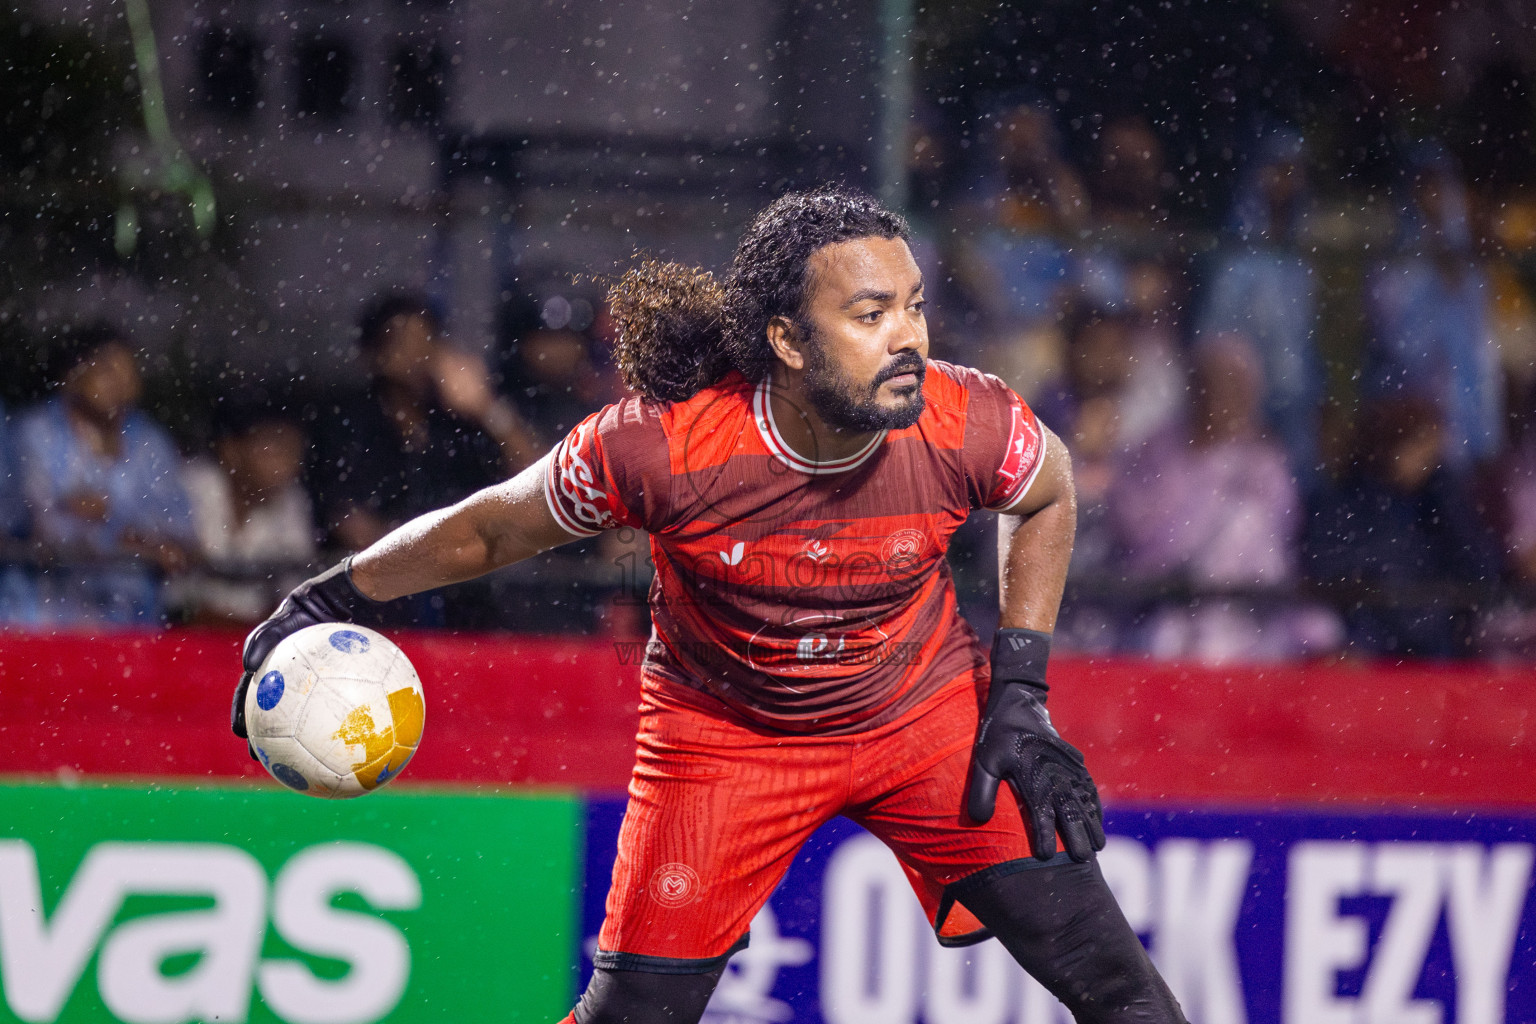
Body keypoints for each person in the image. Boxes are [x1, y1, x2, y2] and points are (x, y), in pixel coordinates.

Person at [233, 186, 1187, 1024]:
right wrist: (327, 594)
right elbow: (489, 531)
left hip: (925, 718)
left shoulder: (965, 417)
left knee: (1126, 996)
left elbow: (1048, 490)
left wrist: (1020, 691)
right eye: (869, 314)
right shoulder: (658, 446)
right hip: (723, 740)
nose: (910, 338)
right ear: (786, 341)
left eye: (914, 306)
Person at [309, 292, 539, 553]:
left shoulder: (458, 421)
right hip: (377, 579)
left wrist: (488, 408)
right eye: (402, 343)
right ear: (375, 354)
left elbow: (533, 481)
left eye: (425, 342)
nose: (416, 355)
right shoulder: (351, 422)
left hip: (464, 581)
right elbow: (346, 518)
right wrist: (426, 558)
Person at [15, 323, 197, 625]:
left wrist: (113, 522)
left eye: (128, 370)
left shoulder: (151, 442)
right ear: (70, 378)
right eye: (107, 369)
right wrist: (127, 537)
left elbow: (182, 528)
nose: (121, 381)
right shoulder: (35, 432)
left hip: (135, 615)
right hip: (47, 614)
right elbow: (41, 525)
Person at [176, 406, 318, 623]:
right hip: (177, 631)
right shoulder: (191, 486)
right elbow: (174, 585)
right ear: (231, 451)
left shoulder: (292, 502)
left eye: (292, 453)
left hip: (251, 637)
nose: (286, 466)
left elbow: (294, 592)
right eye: (274, 451)